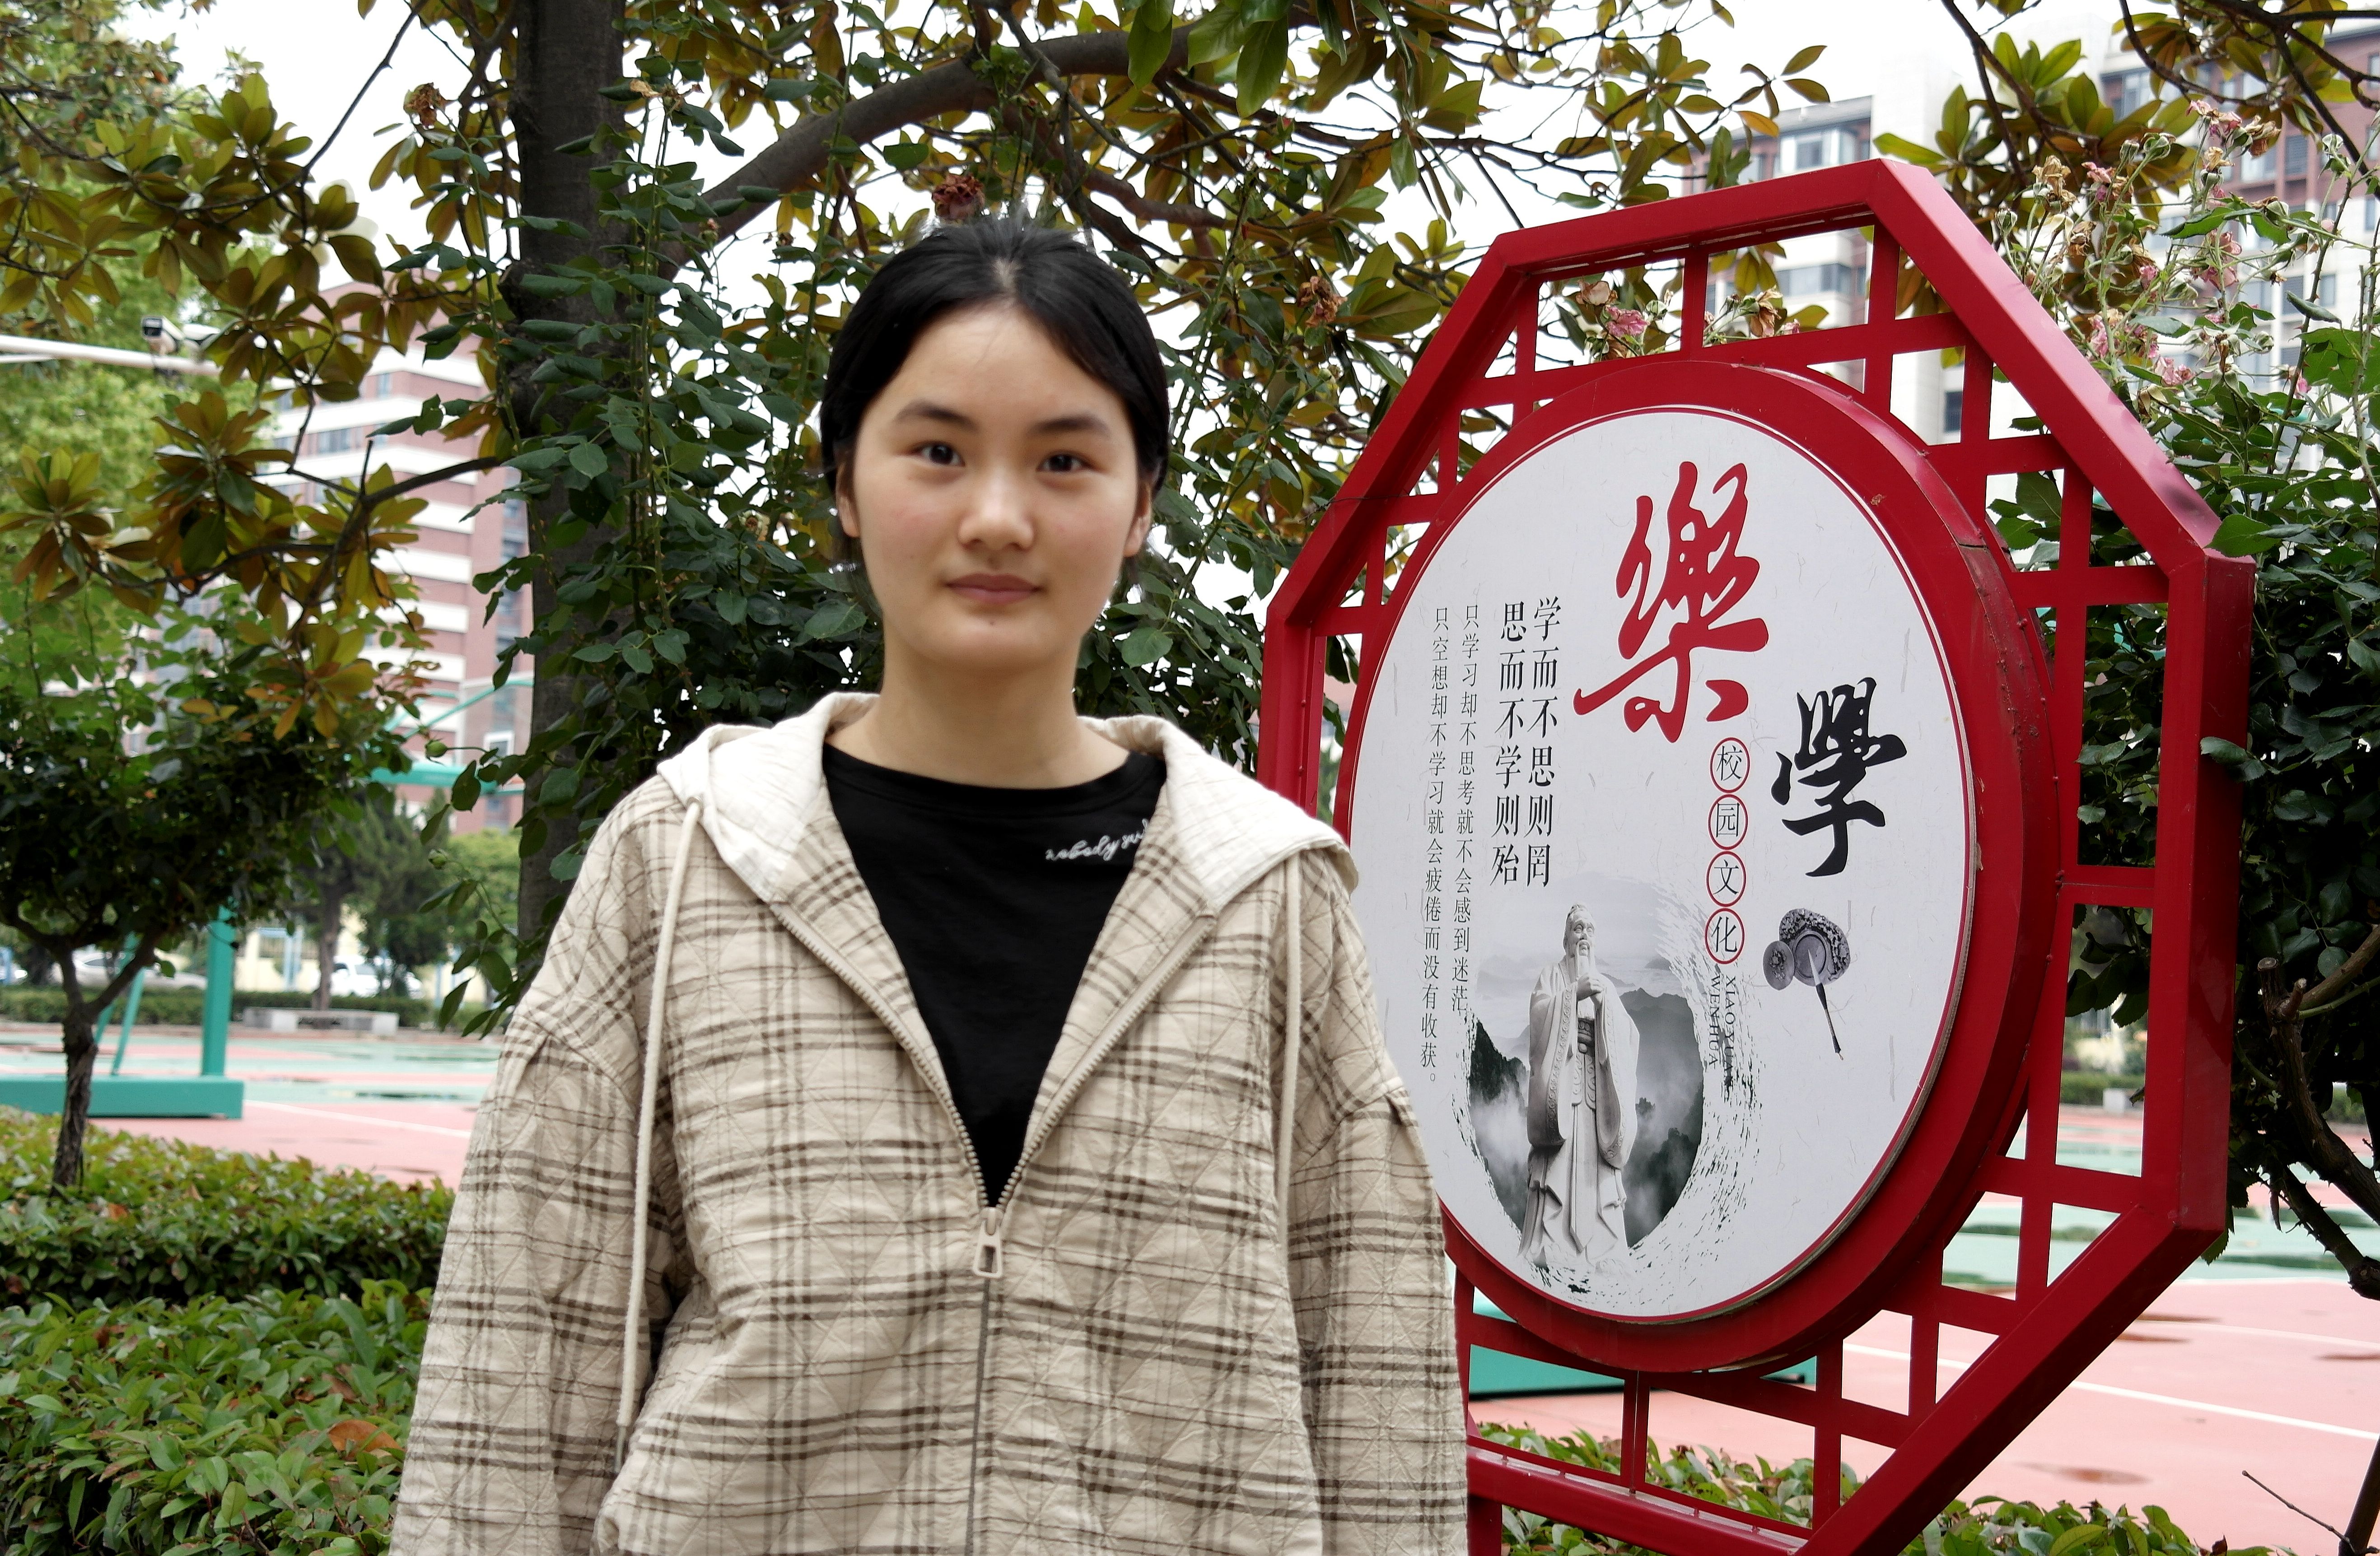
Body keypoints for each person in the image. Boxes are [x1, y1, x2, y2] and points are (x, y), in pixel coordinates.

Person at [391, 217, 1465, 1556]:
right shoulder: (687, 856)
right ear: (845, 479)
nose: (997, 517)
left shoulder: (1264, 896)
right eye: (938, 451)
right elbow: (519, 1346)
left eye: (1064, 459)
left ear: (1139, 505)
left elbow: (1373, 1366)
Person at [1519, 907, 1639, 1268]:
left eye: (1589, 929)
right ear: (1566, 939)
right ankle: (1550, 1241)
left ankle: (1605, 1249)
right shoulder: (1552, 977)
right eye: (1577, 928)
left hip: (1597, 1097)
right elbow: (1540, 1016)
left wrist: (1604, 1012)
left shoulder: (1607, 987)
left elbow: (1630, 1037)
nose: (1583, 935)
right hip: (1562, 1092)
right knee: (1558, 1166)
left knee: (1597, 1172)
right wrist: (1572, 997)